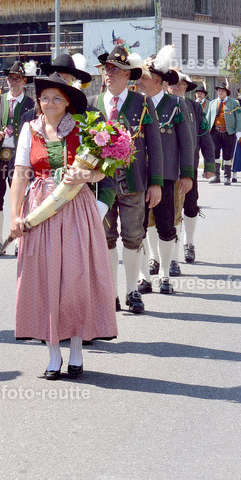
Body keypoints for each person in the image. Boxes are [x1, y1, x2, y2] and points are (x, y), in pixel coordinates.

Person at [9, 73, 116, 380]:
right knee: (43, 281)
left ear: (68, 101)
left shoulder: (84, 130)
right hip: (40, 210)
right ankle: (53, 354)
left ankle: (78, 350)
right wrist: (15, 217)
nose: (50, 104)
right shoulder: (30, 131)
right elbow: (20, 174)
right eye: (44, 98)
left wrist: (84, 177)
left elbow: (100, 174)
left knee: (75, 280)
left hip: (74, 209)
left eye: (57, 98)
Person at [89, 45, 162, 314]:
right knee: (106, 238)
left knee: (133, 237)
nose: (109, 74)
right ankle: (110, 294)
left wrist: (156, 182)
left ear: (127, 75)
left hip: (134, 183)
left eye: (115, 70)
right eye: (107, 69)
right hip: (101, 185)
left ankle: (132, 290)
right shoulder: (93, 104)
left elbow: (155, 145)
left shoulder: (141, 103)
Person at [138, 46, 194, 294]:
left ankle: (164, 275)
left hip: (169, 175)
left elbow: (187, 142)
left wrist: (187, 174)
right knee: (139, 225)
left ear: (159, 80)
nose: (139, 81)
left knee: (166, 224)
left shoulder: (176, 104)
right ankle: (145, 272)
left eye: (144, 77)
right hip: (139, 175)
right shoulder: (135, 103)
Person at [0, 60, 35, 256]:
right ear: (7, 79)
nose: (14, 82)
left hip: (20, 161)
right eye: (11, 78)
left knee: (20, 199)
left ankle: (18, 241)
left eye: (18, 78)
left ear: (24, 81)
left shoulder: (31, 104)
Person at [170, 73, 213, 264]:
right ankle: (168, 253)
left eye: (182, 85)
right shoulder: (159, 106)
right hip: (165, 168)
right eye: (174, 84)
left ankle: (189, 242)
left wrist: (210, 164)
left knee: (190, 206)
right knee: (167, 211)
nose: (178, 87)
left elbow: (205, 136)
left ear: (187, 88)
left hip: (189, 167)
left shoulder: (195, 108)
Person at [204, 79, 241, 185]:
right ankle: (216, 176)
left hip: (228, 132)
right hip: (215, 131)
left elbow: (238, 117)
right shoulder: (212, 103)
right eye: (219, 91)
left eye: (222, 91)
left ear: (226, 92)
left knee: (227, 155)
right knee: (215, 154)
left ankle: (227, 176)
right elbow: (208, 117)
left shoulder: (234, 103)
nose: (220, 92)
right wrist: (205, 129)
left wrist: (239, 131)